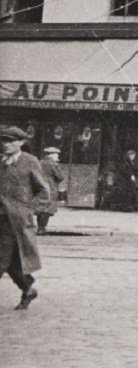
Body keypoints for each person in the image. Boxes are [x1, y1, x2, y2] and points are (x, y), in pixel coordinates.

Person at [0, 126, 49, 310]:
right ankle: (28, 287)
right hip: (1, 217)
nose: (5, 144)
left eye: (10, 141)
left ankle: (27, 287)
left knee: (1, 258)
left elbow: (44, 192)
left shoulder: (30, 161)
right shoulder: (1, 161)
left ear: (21, 142)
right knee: (11, 262)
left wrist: (30, 210)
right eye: (3, 140)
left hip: (16, 222)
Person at [36, 147, 64, 235]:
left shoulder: (39, 162)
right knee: (47, 209)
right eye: (56, 155)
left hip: (40, 188)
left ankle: (39, 227)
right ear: (52, 155)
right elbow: (60, 177)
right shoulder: (53, 164)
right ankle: (42, 229)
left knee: (41, 208)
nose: (57, 156)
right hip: (51, 188)